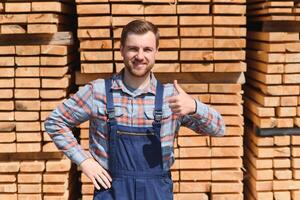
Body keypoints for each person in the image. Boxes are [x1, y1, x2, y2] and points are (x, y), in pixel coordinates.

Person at [44, 19, 225, 200]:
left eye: (147, 49)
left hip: (156, 192)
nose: (140, 56)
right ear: (121, 50)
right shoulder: (97, 92)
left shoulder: (171, 97)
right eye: (133, 48)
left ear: (156, 52)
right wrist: (84, 161)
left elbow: (219, 128)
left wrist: (194, 107)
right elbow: (55, 122)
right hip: (111, 190)